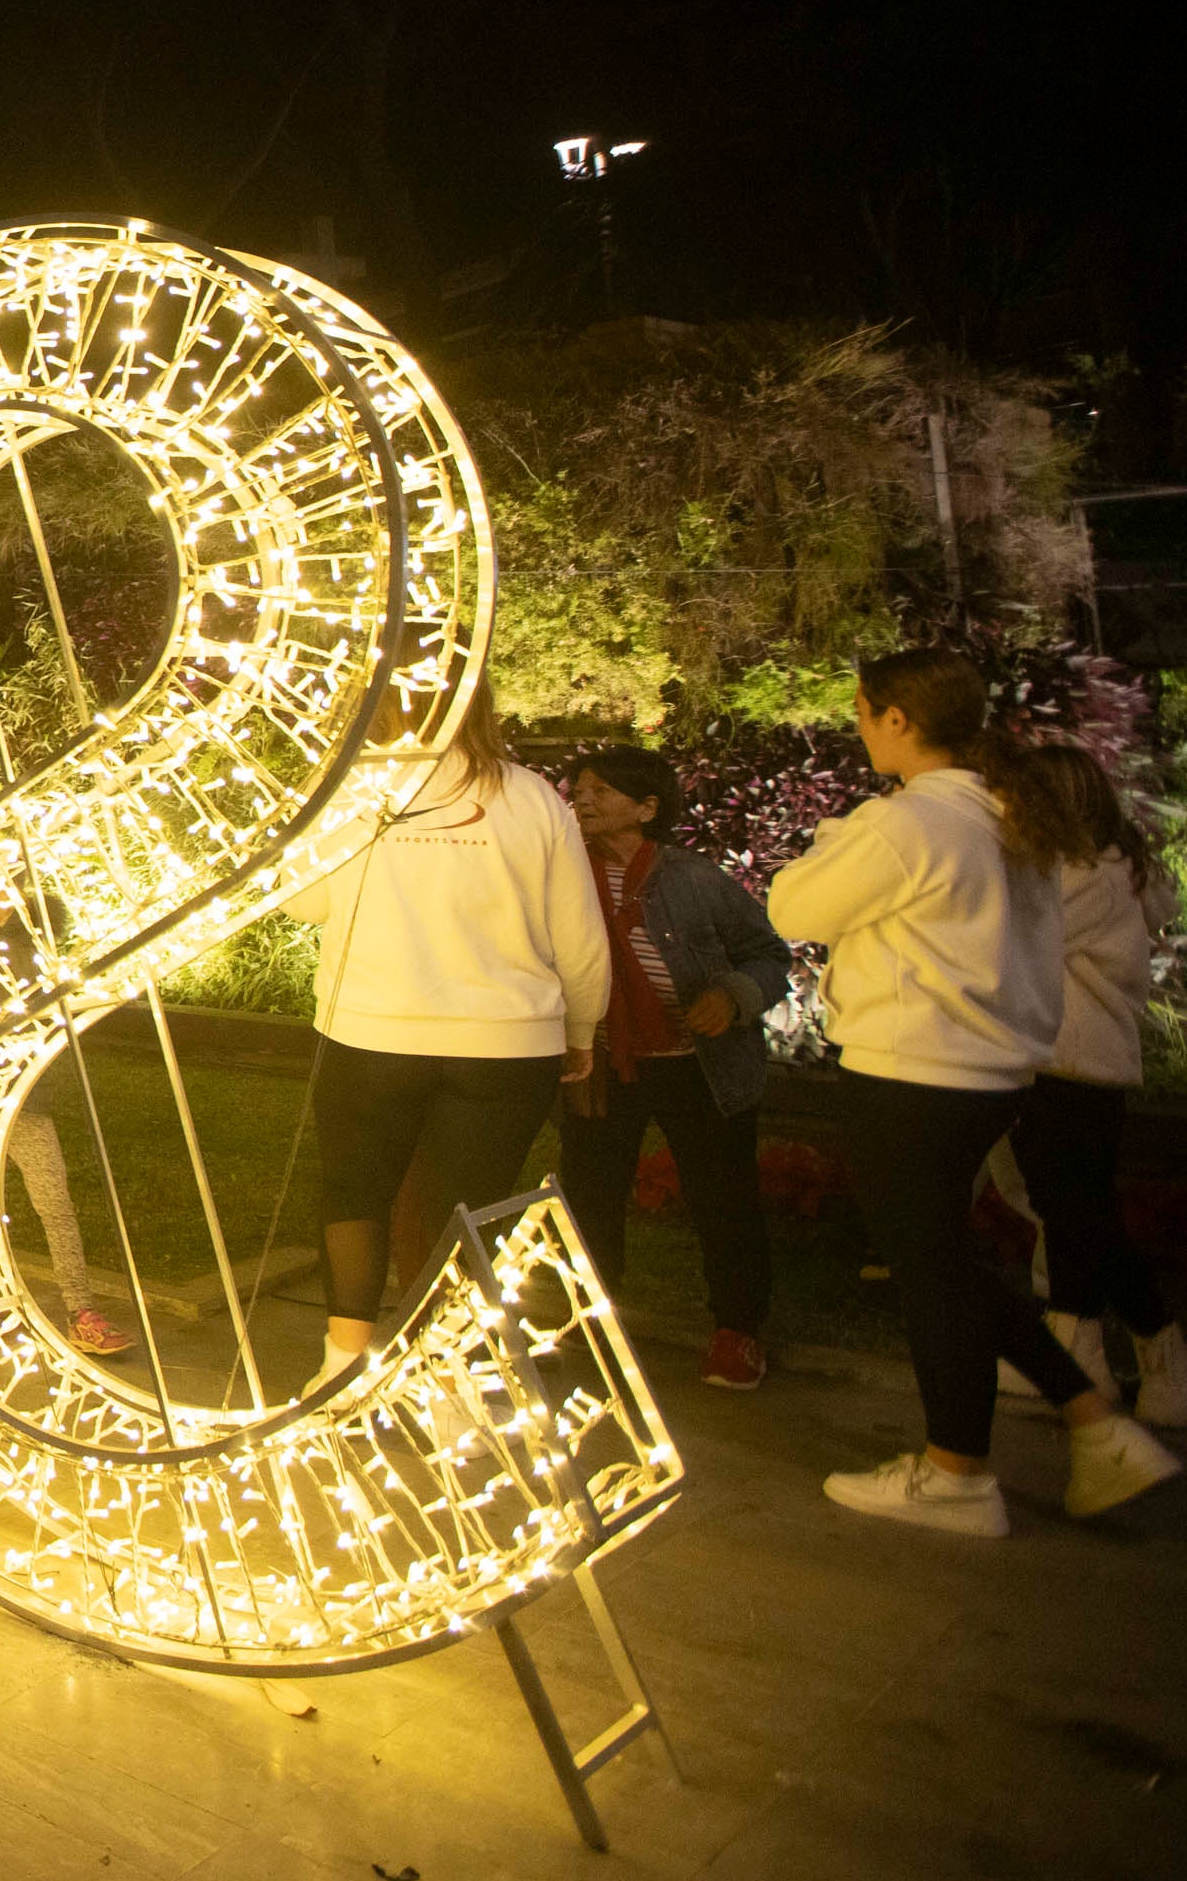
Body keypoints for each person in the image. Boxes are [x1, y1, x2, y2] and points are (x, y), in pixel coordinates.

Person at [771, 645, 1179, 1533]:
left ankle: (964, 1469)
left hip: (909, 1068)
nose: (858, 726)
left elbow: (793, 909)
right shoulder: (1009, 814)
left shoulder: (909, 823)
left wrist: (840, 837)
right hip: (993, 1071)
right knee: (942, 1260)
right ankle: (1087, 1426)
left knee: (935, 1270)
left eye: (863, 711)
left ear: (898, 719)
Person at [284, 682, 608, 1385]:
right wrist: (582, 1027)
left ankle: (341, 1366)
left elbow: (305, 901)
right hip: (508, 1039)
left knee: (355, 1190)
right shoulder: (532, 797)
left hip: (372, 1028)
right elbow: (580, 936)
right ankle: (447, 1379)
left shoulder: (351, 789)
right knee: (470, 1213)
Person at [557, 745, 794, 1391]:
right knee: (590, 1195)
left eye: (602, 790)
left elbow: (769, 956)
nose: (583, 798)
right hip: (604, 1059)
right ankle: (594, 1320)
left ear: (648, 806)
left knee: (723, 1200)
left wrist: (732, 996)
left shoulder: (693, 878)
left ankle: (738, 1331)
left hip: (700, 1063)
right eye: (580, 787)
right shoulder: (563, 873)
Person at [1001, 738, 1187, 1427]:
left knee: (1081, 1212)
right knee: (1076, 1210)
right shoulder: (1113, 869)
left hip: (1068, 1057)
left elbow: (1017, 942)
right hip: (1081, 1058)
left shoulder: (1084, 876)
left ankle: (1152, 1344)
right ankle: (1085, 1348)